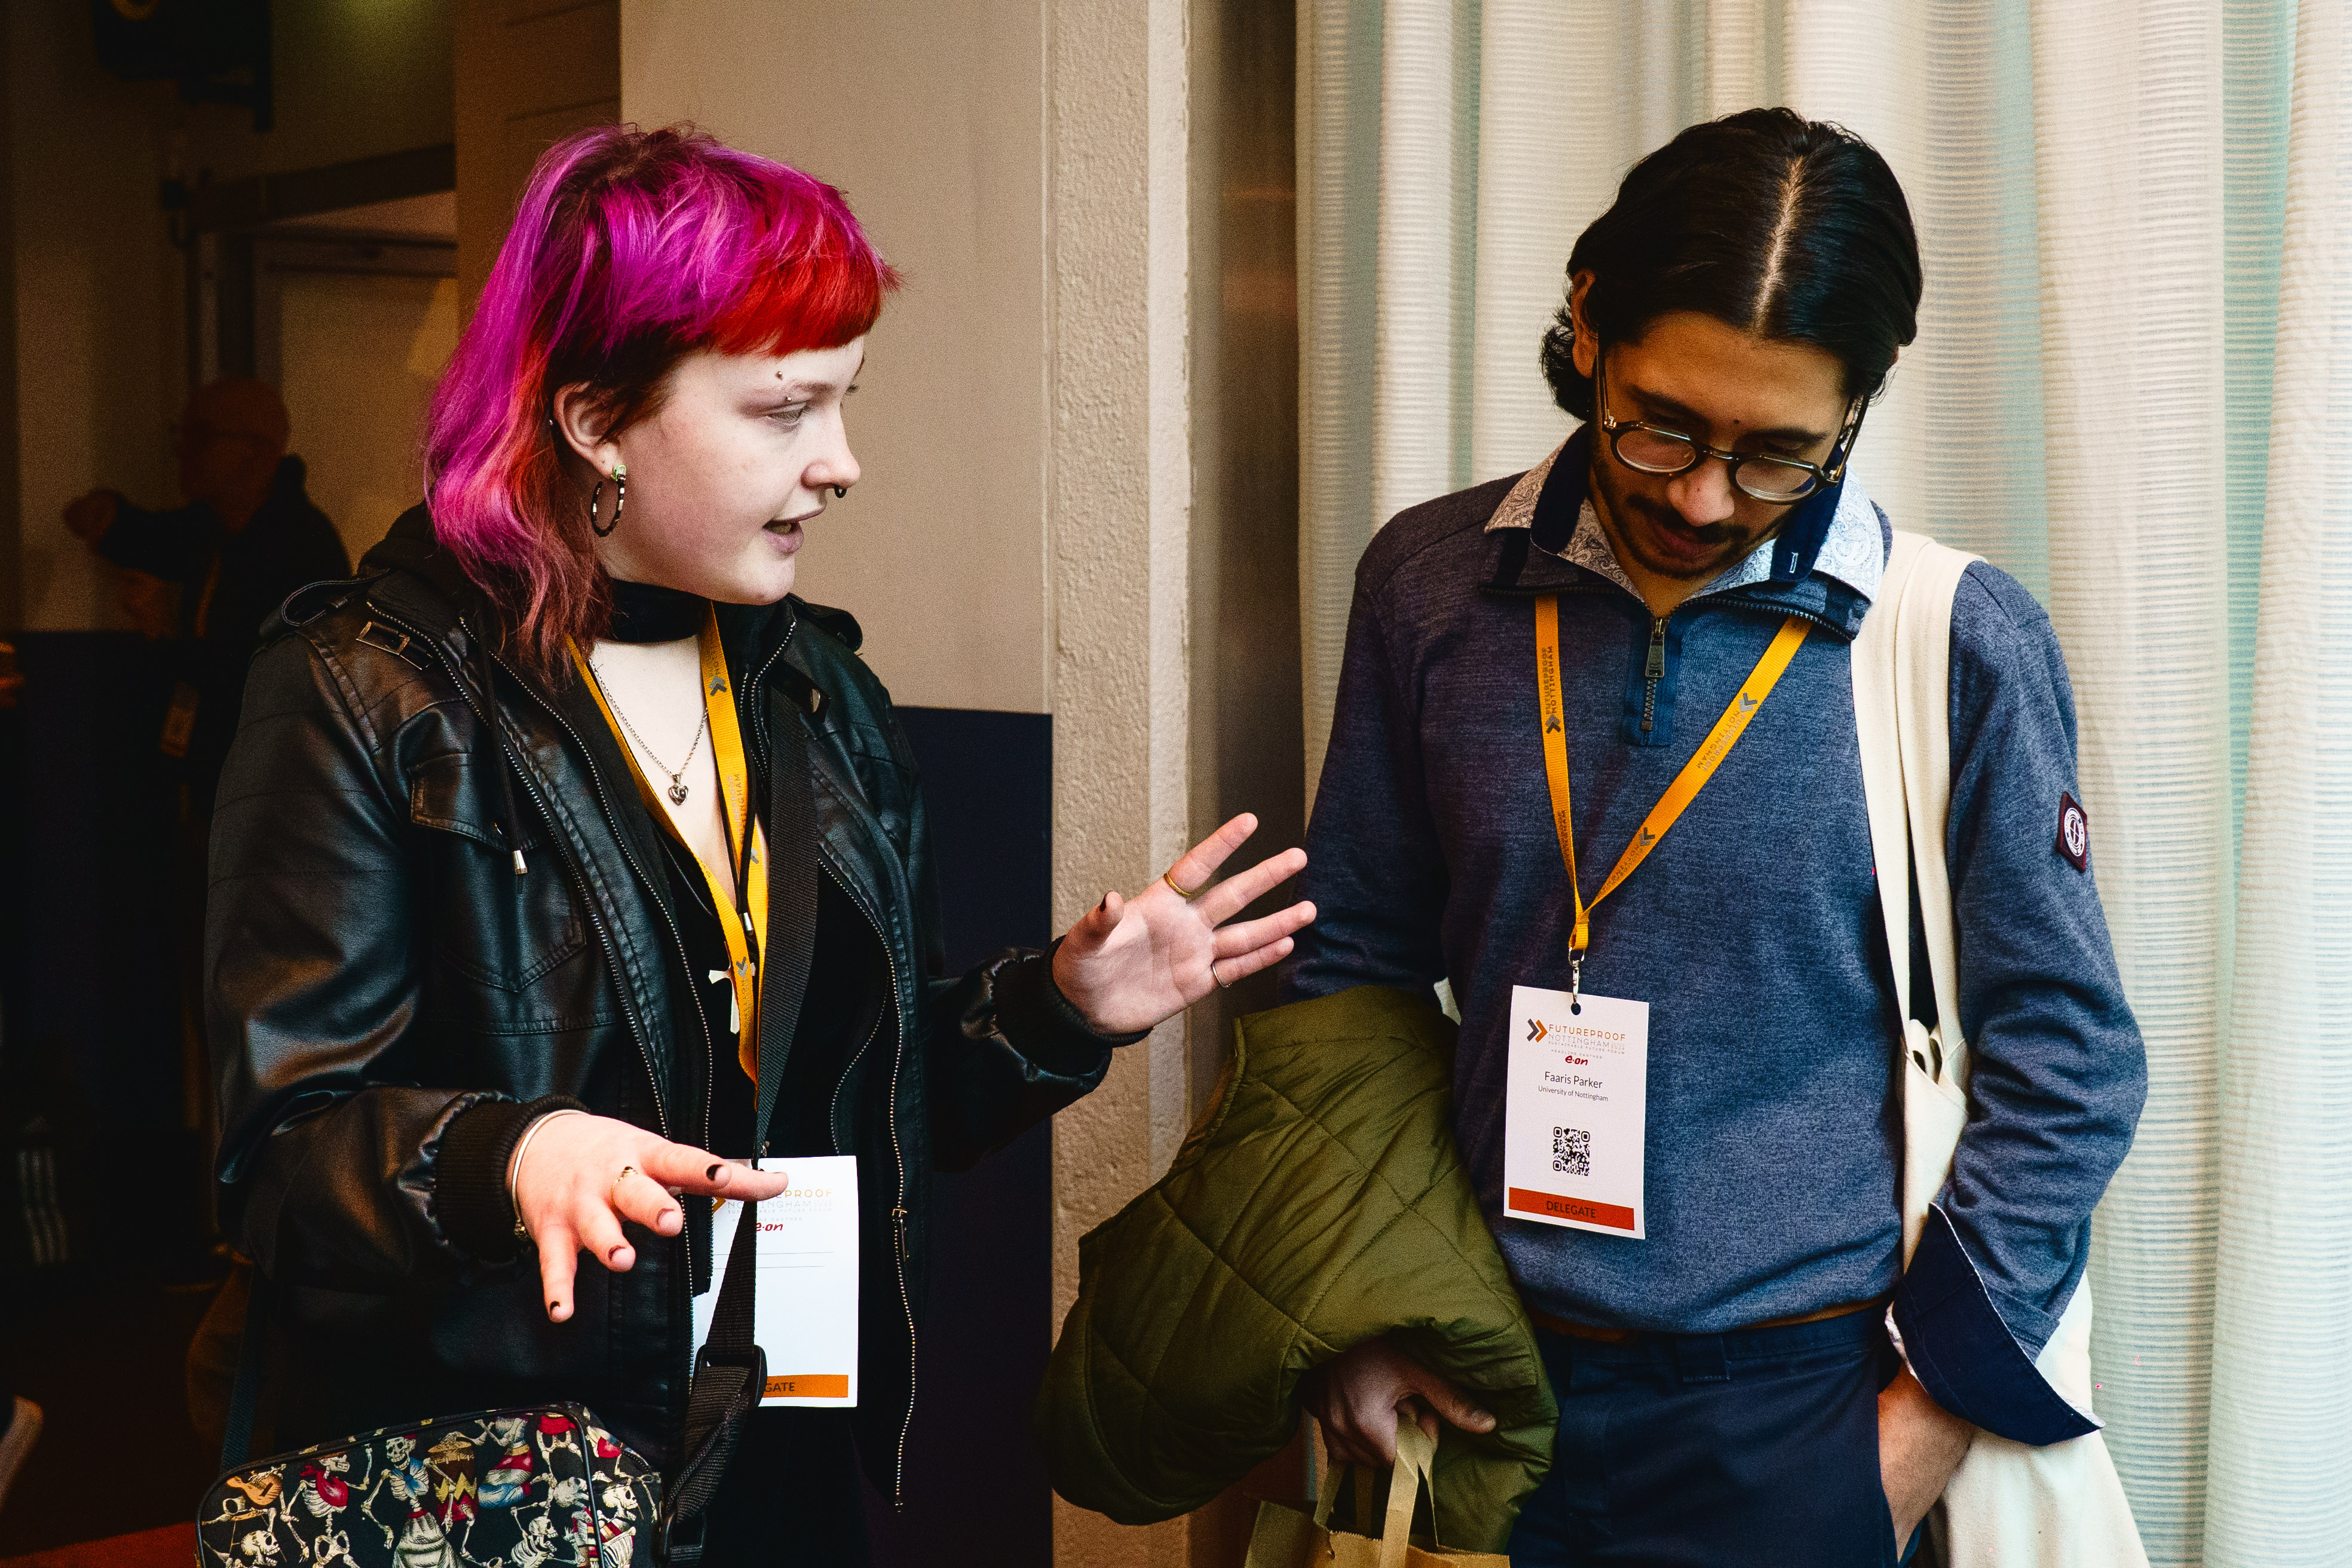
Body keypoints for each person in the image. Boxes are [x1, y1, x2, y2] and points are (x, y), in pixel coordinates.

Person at [204, 125, 1313, 1564]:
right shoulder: (365, 690)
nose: (841, 463)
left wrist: (1058, 1007)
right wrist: (505, 1153)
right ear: (595, 418)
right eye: (785, 410)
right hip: (494, 1478)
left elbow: (866, 1100)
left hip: (768, 1441)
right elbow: (281, 1153)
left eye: (846, 401)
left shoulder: (819, 693)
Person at [1286, 109, 2145, 1565]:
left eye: (1776, 455)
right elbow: (1350, 970)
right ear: (1587, 323)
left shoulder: (1954, 644)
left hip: (1805, 1404)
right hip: (1473, 1374)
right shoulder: (1430, 588)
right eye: (1662, 425)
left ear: (1854, 412)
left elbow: (2071, 1057)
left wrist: (1920, 1425)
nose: (1700, 496)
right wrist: (1358, 1305)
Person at [63, 378, 350, 817]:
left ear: (256, 453)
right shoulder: (214, 526)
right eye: (183, 434)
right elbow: (146, 537)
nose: (183, 450)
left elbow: (268, 689)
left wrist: (161, 629)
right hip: (217, 785)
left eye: (202, 437)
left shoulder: (302, 550)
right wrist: (104, 514)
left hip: (271, 800)